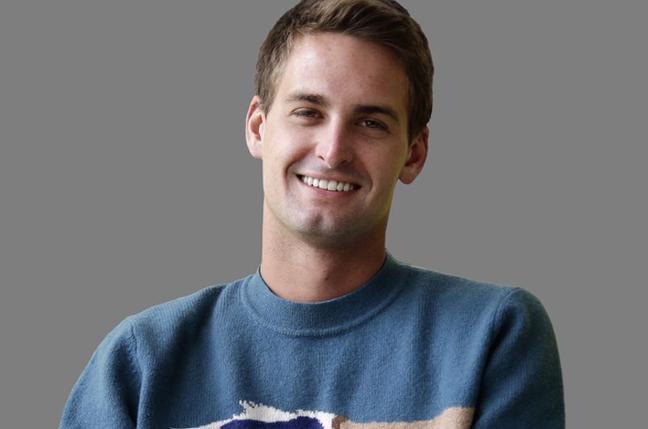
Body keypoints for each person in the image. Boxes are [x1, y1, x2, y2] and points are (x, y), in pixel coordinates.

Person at [60, 1, 565, 428]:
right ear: (258, 127)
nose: (333, 149)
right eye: (308, 112)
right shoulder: (141, 362)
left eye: (371, 122)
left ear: (413, 153)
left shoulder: (492, 335)